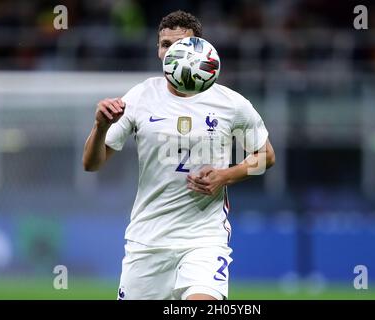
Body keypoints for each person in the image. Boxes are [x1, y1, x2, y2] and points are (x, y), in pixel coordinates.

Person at [82, 10, 275, 300]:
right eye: (164, 45)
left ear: (199, 48)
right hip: (148, 240)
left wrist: (226, 175)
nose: (170, 52)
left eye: (179, 44)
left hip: (203, 238)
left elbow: (266, 156)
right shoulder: (140, 97)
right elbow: (91, 164)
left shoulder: (231, 104)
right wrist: (100, 127)